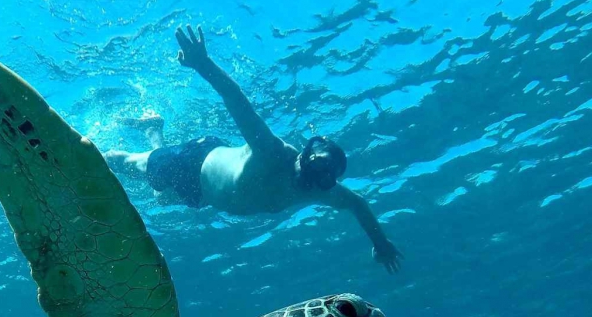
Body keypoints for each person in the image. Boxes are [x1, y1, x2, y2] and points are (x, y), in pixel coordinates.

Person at [104, 26, 402, 272]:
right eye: (311, 164)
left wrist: (381, 242)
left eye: (321, 177)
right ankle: (79, 155)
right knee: (129, 165)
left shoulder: (319, 190)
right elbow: (239, 104)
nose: (308, 176)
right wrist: (203, 65)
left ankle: (153, 127)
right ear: (304, 152)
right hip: (193, 162)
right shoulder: (273, 152)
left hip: (205, 194)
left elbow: (358, 204)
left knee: (160, 198)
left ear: (327, 183)